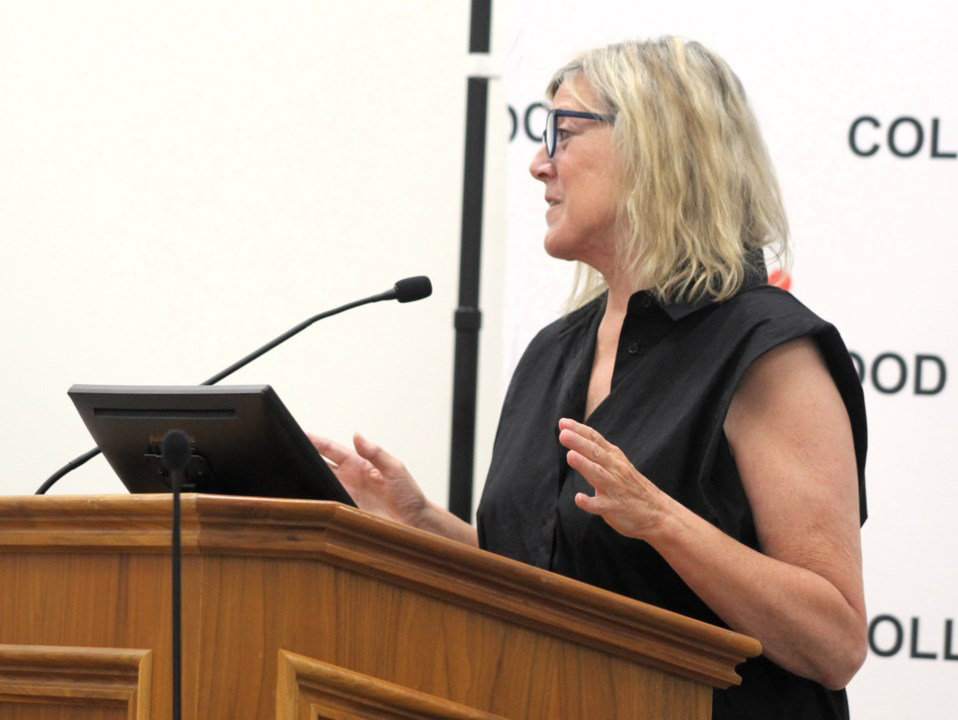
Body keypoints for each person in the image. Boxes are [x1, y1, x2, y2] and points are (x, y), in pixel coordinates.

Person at [310, 37, 867, 720]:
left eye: (563, 134)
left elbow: (833, 641)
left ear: (656, 148)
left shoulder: (765, 351)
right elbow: (557, 581)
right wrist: (422, 522)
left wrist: (662, 520)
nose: (539, 164)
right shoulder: (554, 352)